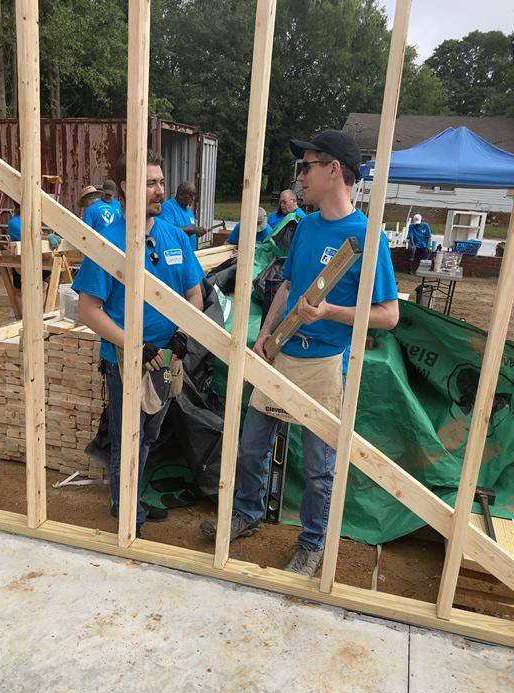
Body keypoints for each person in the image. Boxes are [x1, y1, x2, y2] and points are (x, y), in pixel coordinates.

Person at [201, 130, 399, 578]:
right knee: (250, 447)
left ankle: (313, 544)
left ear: (335, 171)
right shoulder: (306, 226)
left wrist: (331, 311)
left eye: (306, 167)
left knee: (318, 469)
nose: (299, 177)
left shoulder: (367, 238)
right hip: (283, 353)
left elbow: (388, 315)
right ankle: (246, 514)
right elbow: (286, 286)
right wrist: (265, 335)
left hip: (326, 364)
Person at [73, 151, 205, 534]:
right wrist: (133, 343)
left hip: (166, 358)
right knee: (126, 434)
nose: (159, 189)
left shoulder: (172, 235)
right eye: (151, 183)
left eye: (161, 181)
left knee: (149, 433)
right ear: (129, 187)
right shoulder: (109, 243)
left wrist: (183, 333)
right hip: (126, 360)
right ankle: (124, 505)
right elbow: (89, 310)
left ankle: (132, 495)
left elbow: (194, 295)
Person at [159, 181, 206, 251]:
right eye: (191, 195)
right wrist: (193, 229)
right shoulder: (167, 207)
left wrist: (196, 232)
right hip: (176, 255)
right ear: (181, 195)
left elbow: (188, 233)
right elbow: (167, 231)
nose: (193, 198)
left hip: (190, 254)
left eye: (194, 195)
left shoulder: (189, 212)